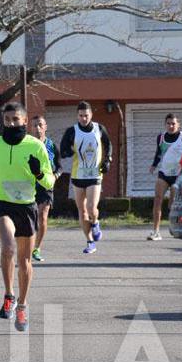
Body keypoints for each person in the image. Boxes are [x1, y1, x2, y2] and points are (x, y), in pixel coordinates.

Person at [0, 103, 55, 332]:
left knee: (24, 261)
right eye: (7, 119)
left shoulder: (36, 145)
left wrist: (38, 172)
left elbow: (50, 182)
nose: (11, 123)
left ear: (24, 120)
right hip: (3, 205)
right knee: (8, 247)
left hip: (27, 207)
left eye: (15, 119)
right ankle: (9, 293)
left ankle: (22, 304)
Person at [60, 101, 112, 255]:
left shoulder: (99, 128)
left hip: (95, 174)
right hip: (78, 175)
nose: (83, 118)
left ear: (91, 115)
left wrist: (108, 160)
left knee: (91, 207)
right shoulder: (72, 131)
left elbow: (108, 145)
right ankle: (90, 242)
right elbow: (63, 149)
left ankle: (95, 222)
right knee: (82, 211)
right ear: (77, 115)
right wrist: (67, 152)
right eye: (81, 116)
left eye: (86, 115)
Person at [148, 113, 182, 241]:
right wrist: (154, 165)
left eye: (173, 124)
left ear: (178, 124)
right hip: (164, 173)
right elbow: (159, 153)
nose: (171, 126)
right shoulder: (161, 137)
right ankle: (156, 231)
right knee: (157, 199)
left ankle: (175, 227)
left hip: (178, 175)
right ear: (165, 124)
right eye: (168, 123)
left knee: (173, 203)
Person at [31, 115, 63, 262]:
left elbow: (60, 167)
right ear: (30, 128)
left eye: (40, 125)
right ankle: (27, 245)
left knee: (43, 216)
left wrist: (55, 176)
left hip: (45, 186)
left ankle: (37, 248)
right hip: (29, 186)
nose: (37, 128)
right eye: (34, 125)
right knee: (31, 218)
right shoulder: (26, 145)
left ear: (45, 127)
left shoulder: (51, 146)